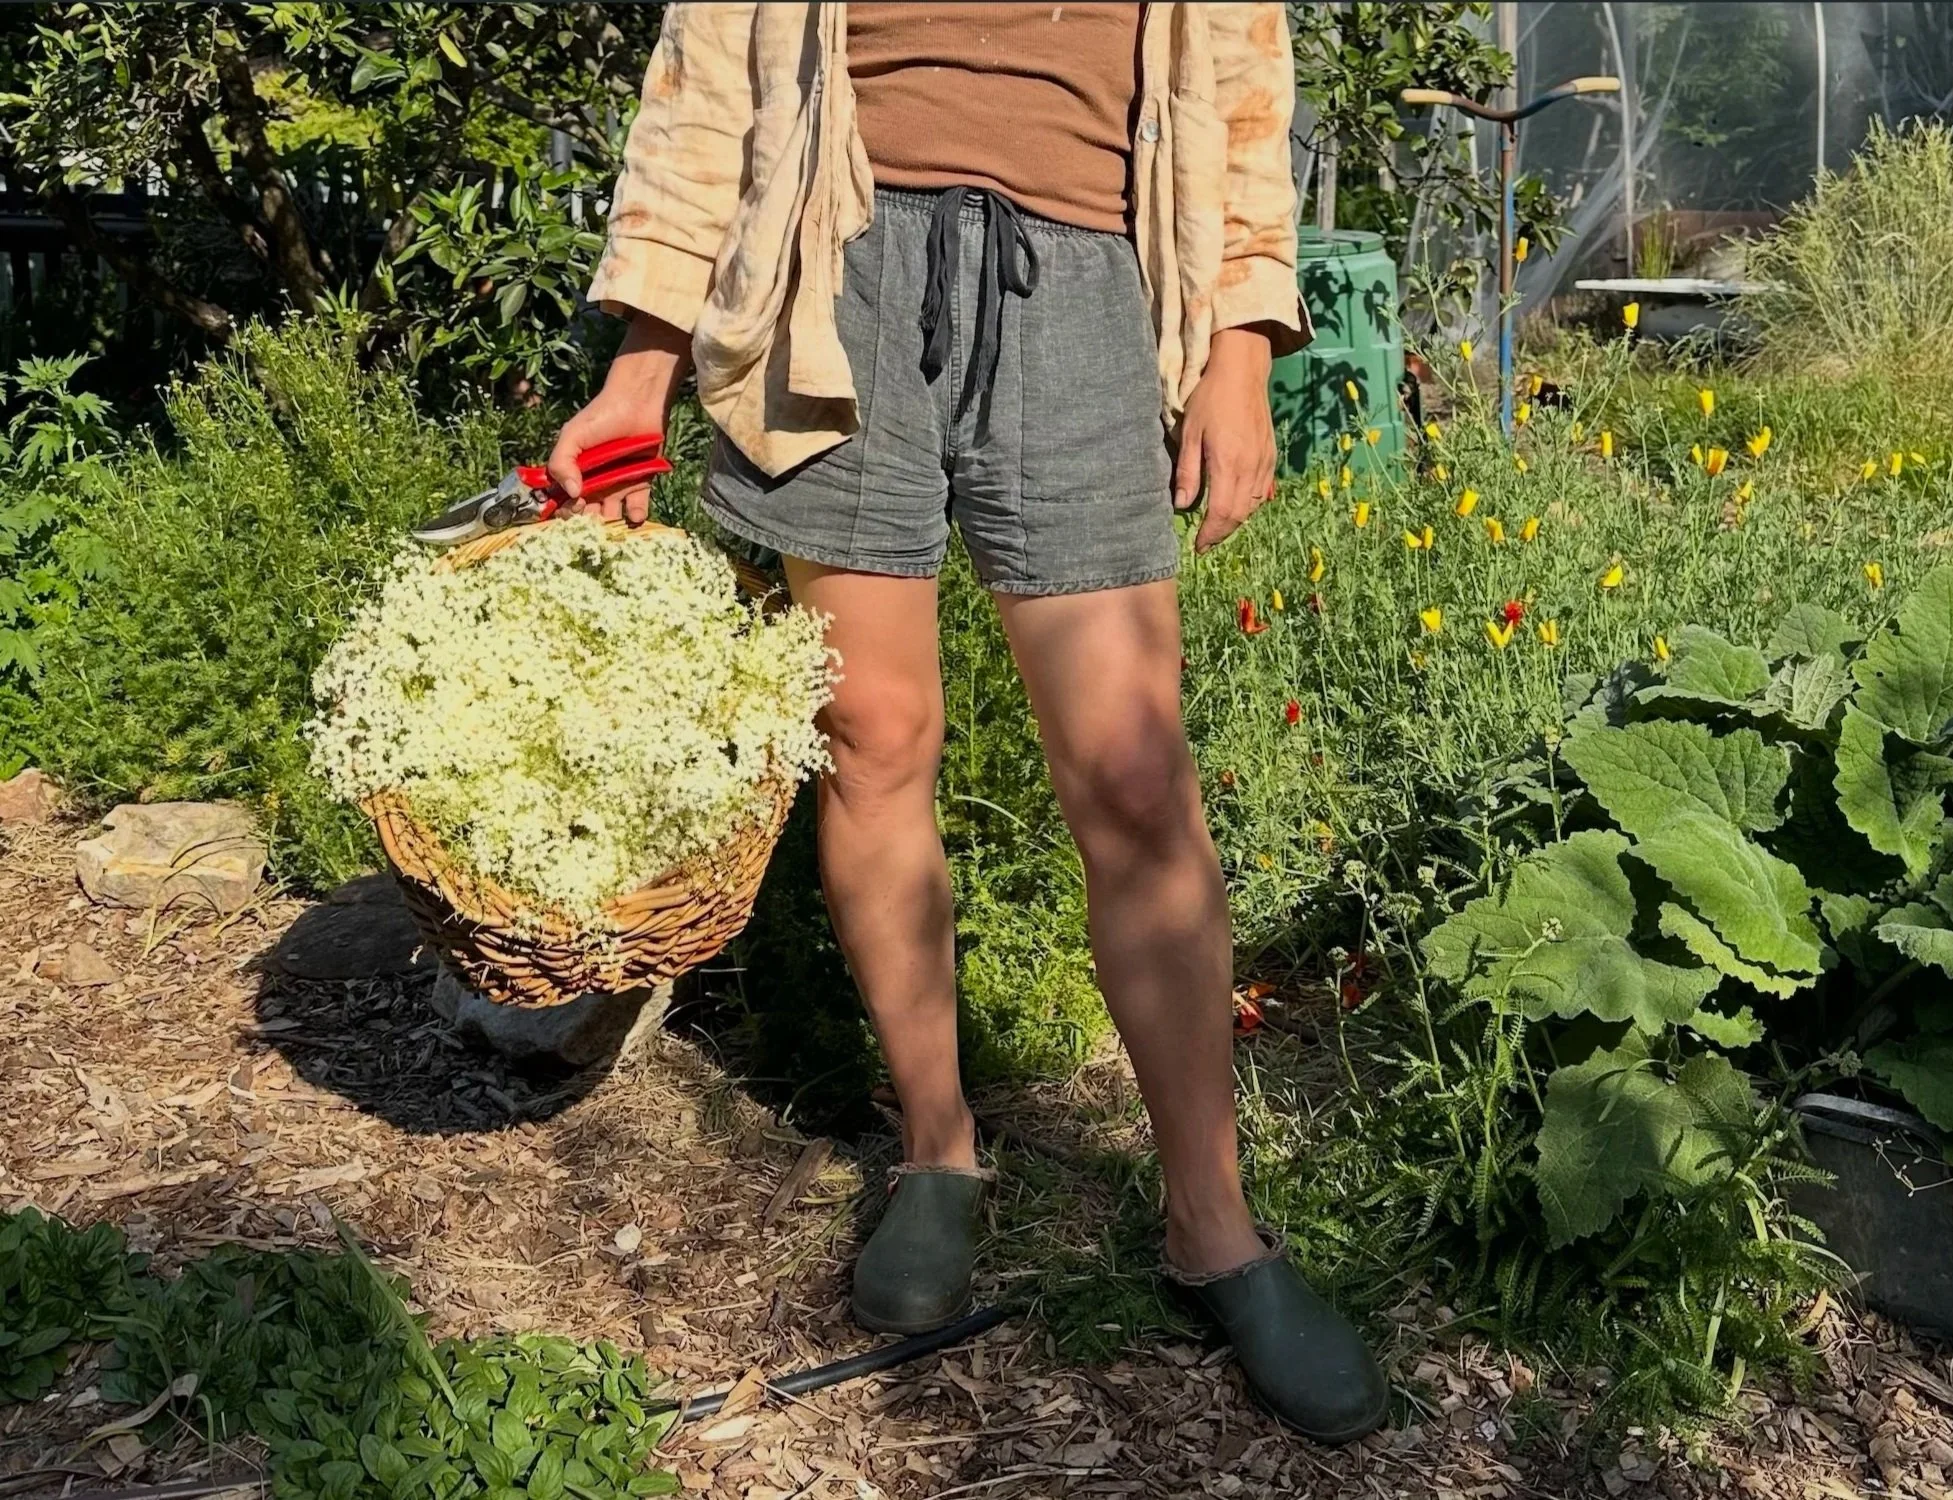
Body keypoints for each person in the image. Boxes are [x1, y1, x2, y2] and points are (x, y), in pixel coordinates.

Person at [549, 2, 1388, 1444]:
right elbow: (710, 74)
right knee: (873, 737)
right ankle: (938, 1154)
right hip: (836, 263)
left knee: (1134, 774)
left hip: (1083, 279)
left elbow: (1240, 78)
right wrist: (641, 361)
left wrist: (1244, 344)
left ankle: (1216, 1227)